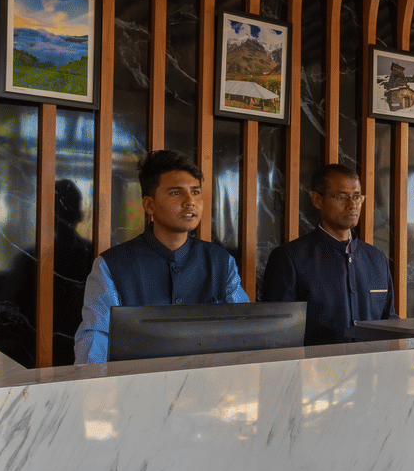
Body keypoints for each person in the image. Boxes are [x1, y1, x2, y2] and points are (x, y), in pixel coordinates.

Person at [73, 149, 247, 364]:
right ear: (149, 205)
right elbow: (95, 341)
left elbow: (244, 331)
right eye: (176, 193)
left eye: (195, 192)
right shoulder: (111, 266)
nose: (190, 201)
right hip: (136, 382)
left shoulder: (221, 262)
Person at [260, 163, 395, 345]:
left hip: (373, 362)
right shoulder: (289, 259)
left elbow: (390, 322)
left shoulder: (377, 259)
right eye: (341, 197)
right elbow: (277, 336)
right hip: (313, 363)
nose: (352, 205)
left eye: (357, 197)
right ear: (317, 200)